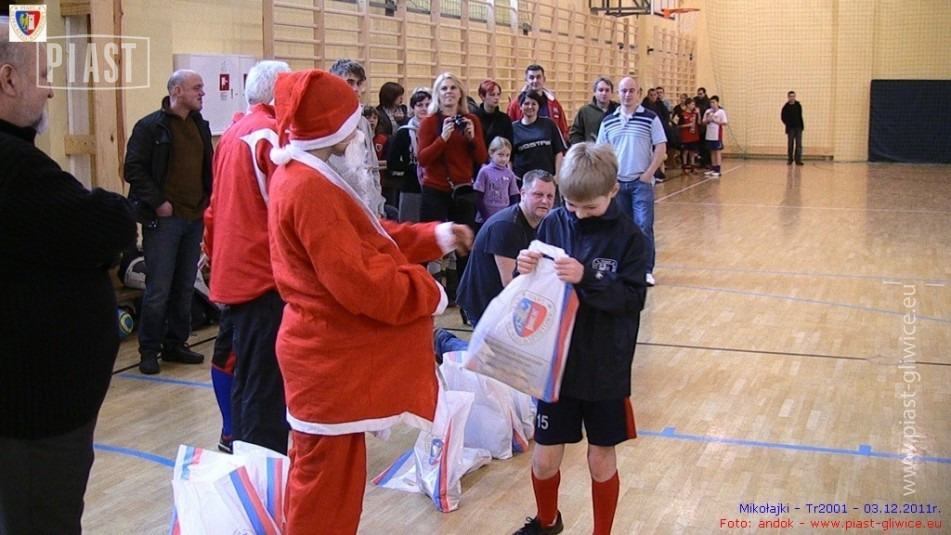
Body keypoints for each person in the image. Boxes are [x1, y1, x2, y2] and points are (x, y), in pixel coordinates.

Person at [265, 68, 473, 535]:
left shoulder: (308, 176)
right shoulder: (309, 188)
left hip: (325, 358)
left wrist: (434, 237)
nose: (358, 135)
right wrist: (427, 292)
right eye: (351, 123)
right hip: (325, 360)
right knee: (325, 493)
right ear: (334, 129)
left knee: (327, 486)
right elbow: (360, 279)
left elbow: (370, 237)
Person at [0, 30, 137, 534]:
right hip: (33, 414)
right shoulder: (13, 167)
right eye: (42, 76)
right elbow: (110, 223)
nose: (51, 90)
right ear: (8, 80)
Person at [513, 142, 648, 535]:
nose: (578, 214)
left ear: (613, 191)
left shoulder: (631, 238)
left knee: (600, 460)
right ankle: (547, 522)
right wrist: (526, 267)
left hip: (605, 366)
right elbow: (537, 285)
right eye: (571, 204)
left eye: (589, 207)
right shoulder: (555, 222)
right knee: (544, 460)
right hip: (557, 361)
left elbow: (632, 300)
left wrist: (587, 277)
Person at [204, 60, 291, 454]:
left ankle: (238, 446)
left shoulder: (232, 133)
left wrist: (213, 254)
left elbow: (214, 209)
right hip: (263, 275)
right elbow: (287, 211)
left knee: (244, 371)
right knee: (264, 383)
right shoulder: (270, 137)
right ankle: (261, 466)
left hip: (236, 270)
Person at [124, 69, 213, 374]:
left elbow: (207, 168)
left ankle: (176, 343)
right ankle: (149, 350)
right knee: (159, 289)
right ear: (177, 91)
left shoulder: (200, 125)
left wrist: (208, 200)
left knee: (185, 286)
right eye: (196, 87)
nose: (202, 92)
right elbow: (133, 169)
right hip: (164, 221)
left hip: (193, 217)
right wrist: (158, 202)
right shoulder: (151, 127)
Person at [417, 71, 488, 299]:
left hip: (462, 190)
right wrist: (443, 138)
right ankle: (419, 293)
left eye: (453, 88)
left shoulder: (472, 120)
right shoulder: (429, 122)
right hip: (435, 189)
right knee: (427, 243)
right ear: (438, 94)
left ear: (460, 93)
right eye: (444, 88)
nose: (449, 92)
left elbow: (481, 158)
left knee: (466, 246)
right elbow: (423, 159)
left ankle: (466, 299)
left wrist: (472, 137)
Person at [456, 169, 557, 325]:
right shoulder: (507, 226)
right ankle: (444, 337)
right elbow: (509, 282)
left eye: (550, 196)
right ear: (523, 194)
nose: (545, 201)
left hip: (505, 300)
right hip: (483, 304)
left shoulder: (540, 221)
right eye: (538, 194)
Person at [596, 76, 666, 287]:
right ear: (618, 93)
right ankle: (624, 268)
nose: (627, 95)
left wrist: (649, 173)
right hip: (617, 184)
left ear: (639, 93)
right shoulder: (608, 121)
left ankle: (645, 270)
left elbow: (661, 147)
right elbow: (601, 152)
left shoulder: (650, 118)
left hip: (641, 183)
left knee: (643, 226)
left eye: (632, 90)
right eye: (624, 91)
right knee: (620, 228)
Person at [328, 59, 386, 216]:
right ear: (334, 83)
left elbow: (373, 166)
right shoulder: (325, 121)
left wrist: (378, 204)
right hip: (339, 207)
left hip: (368, 207)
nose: (355, 89)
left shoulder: (362, 121)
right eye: (350, 82)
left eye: (359, 84)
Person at [387, 89, 431, 222]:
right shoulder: (404, 132)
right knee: (410, 226)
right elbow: (392, 162)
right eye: (420, 105)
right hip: (411, 187)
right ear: (413, 108)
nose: (424, 108)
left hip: (433, 188)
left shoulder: (437, 129)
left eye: (427, 105)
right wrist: (414, 167)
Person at [512, 91, 567, 180]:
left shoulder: (549, 124)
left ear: (538, 107)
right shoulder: (513, 128)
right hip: (522, 180)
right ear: (520, 106)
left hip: (548, 179)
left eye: (534, 104)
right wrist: (512, 177)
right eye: (526, 103)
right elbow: (508, 157)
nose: (530, 107)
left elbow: (558, 152)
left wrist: (557, 175)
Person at [506, 64, 569, 141]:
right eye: (531, 77)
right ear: (526, 79)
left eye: (538, 77)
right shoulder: (515, 104)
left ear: (544, 79)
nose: (535, 81)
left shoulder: (554, 104)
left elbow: (563, 132)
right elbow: (509, 131)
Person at [474, 136, 520, 225]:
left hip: (503, 218)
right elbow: (478, 197)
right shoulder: (484, 171)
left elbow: (514, 197)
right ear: (491, 153)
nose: (504, 159)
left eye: (507, 155)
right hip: (485, 219)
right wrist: (485, 217)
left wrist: (510, 215)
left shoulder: (510, 174)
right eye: (500, 155)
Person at [569, 77, 618, 144]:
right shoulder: (584, 111)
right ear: (594, 92)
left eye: (607, 90)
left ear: (612, 93)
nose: (604, 93)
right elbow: (575, 134)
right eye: (601, 90)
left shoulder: (618, 110)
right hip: (591, 149)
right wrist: (583, 148)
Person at [473, 79, 514, 150]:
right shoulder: (474, 117)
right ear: (482, 96)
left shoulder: (505, 119)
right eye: (492, 94)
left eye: (498, 94)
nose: (496, 98)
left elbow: (510, 144)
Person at [702, 95, 728, 178]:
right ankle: (713, 167)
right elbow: (703, 122)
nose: (712, 104)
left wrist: (716, 121)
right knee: (712, 151)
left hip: (717, 135)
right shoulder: (708, 111)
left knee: (717, 151)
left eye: (713, 102)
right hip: (709, 134)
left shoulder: (721, 112)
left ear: (717, 103)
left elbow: (725, 123)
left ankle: (718, 169)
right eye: (710, 102)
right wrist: (708, 120)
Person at [676, 98, 701, 174]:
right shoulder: (682, 114)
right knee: (685, 152)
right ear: (688, 105)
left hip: (694, 135)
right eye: (692, 104)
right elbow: (678, 126)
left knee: (692, 152)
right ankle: (684, 167)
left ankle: (693, 166)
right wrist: (688, 125)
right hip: (685, 136)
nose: (694, 106)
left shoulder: (694, 114)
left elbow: (699, 122)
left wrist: (699, 114)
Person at [781, 90, 804, 165]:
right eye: (790, 96)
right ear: (788, 97)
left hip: (798, 128)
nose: (792, 98)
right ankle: (790, 159)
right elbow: (783, 117)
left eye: (793, 96)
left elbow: (800, 116)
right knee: (790, 144)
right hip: (790, 128)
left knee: (799, 144)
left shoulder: (798, 105)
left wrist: (801, 126)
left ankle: (798, 160)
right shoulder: (786, 107)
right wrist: (788, 124)